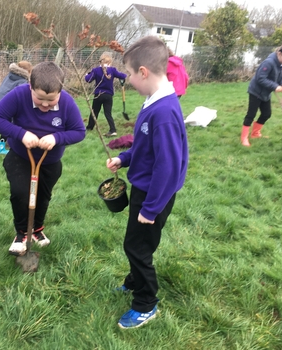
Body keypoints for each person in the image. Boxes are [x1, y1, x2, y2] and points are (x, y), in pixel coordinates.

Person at [106, 36, 189, 329]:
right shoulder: (153, 102)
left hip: (155, 193)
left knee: (137, 247)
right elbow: (146, 147)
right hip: (146, 189)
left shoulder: (164, 111)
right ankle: (134, 280)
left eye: (128, 73)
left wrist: (151, 208)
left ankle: (145, 303)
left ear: (143, 72)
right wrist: (124, 158)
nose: (127, 79)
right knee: (138, 243)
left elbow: (167, 167)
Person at [0, 61, 85, 256]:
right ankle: (22, 233)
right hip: (21, 157)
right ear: (30, 86)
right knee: (21, 193)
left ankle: (37, 229)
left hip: (49, 161)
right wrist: (21, 134)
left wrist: (57, 138)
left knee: (42, 196)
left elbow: (79, 131)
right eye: (40, 99)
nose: (45, 105)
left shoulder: (67, 102)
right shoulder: (19, 95)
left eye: (51, 100)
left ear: (60, 91)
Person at [241, 43, 282, 147]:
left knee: (266, 114)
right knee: (251, 115)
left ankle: (255, 133)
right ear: (279, 54)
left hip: (266, 93)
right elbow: (260, 78)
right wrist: (275, 86)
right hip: (256, 92)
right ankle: (244, 137)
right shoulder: (269, 63)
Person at [85, 52, 127, 137]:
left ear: (100, 62)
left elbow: (88, 80)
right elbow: (123, 76)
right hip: (108, 96)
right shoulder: (113, 70)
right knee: (108, 113)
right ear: (110, 62)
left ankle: (90, 127)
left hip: (98, 95)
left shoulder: (95, 70)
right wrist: (123, 77)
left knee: (94, 112)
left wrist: (86, 75)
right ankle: (113, 129)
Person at [0, 60, 33, 142]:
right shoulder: (22, 81)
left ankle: (5, 142)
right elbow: (22, 97)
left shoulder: (10, 76)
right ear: (28, 71)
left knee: (6, 123)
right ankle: (4, 144)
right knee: (12, 123)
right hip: (6, 103)